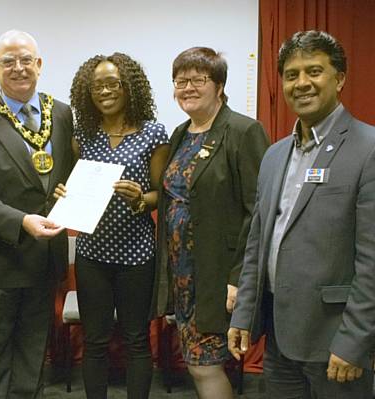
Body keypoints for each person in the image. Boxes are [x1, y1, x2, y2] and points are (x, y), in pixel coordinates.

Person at [229, 30, 375, 398]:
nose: (302, 83)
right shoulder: (275, 155)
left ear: (339, 78)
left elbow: (372, 262)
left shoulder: (368, 149)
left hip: (335, 340)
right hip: (279, 338)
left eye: (314, 71)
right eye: (292, 75)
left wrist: (354, 342)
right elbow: (257, 244)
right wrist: (244, 314)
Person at [0, 30, 74, 398]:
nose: (18, 68)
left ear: (39, 64)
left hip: (44, 259)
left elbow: (67, 177)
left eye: (26, 60)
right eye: (8, 61)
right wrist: (20, 221)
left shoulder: (63, 113)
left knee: (33, 357)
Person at [157, 47, 269, 399]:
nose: (187, 87)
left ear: (219, 85)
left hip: (218, 276)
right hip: (184, 275)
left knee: (206, 364)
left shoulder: (242, 131)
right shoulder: (180, 134)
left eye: (198, 80)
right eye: (181, 81)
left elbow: (259, 212)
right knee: (196, 362)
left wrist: (239, 280)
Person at [57, 52, 169, 399]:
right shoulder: (83, 136)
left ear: (129, 87)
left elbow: (161, 194)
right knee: (95, 341)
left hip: (137, 254)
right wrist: (64, 193)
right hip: (93, 255)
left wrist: (141, 199)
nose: (104, 91)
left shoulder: (153, 133)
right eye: (96, 87)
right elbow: (70, 187)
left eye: (112, 83)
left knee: (136, 340)